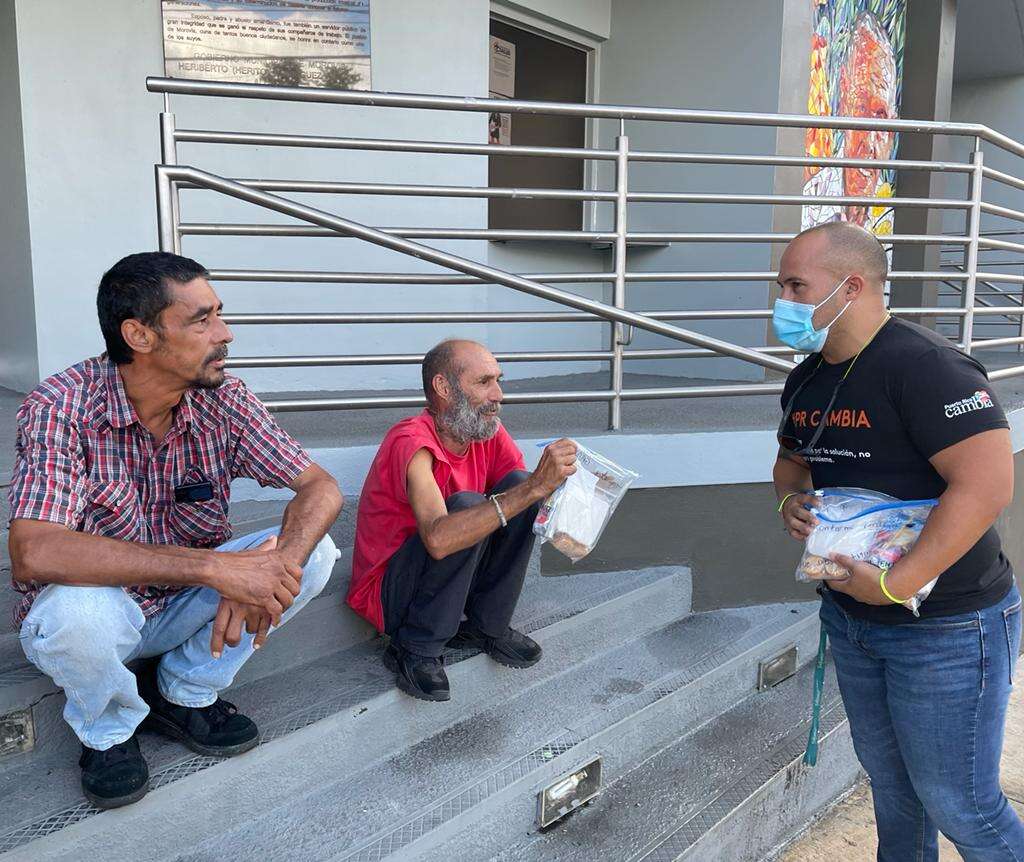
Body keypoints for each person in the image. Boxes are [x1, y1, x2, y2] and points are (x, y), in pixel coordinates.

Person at [6, 252, 344, 809]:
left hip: (183, 601)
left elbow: (321, 487)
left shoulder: (223, 399)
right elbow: (33, 551)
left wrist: (272, 568)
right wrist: (217, 568)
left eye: (219, 315)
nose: (225, 333)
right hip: (105, 611)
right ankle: (108, 730)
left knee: (316, 552)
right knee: (77, 614)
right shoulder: (61, 405)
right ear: (139, 334)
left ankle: (184, 689)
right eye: (202, 320)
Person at [773, 221, 1024, 861]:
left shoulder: (927, 367)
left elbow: (988, 484)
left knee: (960, 804)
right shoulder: (808, 378)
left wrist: (897, 583)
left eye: (796, 285)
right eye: (782, 286)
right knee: (894, 790)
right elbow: (791, 463)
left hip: (946, 625)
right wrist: (790, 503)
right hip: (854, 618)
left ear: (851, 287)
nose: (783, 301)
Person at [349, 339, 577, 702]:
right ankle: (415, 646)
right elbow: (438, 539)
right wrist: (534, 486)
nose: (498, 394)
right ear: (443, 388)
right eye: (484, 382)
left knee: (519, 485)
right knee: (471, 505)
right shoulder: (409, 440)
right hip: (392, 593)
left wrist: (574, 489)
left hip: (451, 580)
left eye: (498, 381)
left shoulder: (484, 430)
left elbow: (523, 495)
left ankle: (488, 625)